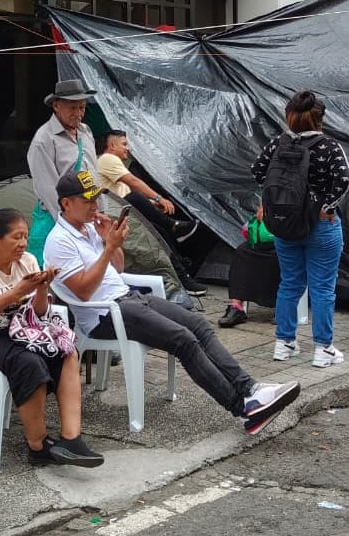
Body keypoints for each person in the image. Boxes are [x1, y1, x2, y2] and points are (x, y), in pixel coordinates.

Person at [44, 170, 300, 435]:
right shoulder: (59, 241)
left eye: (95, 198)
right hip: (104, 315)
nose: (95, 206)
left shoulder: (89, 228)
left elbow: (117, 269)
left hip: (128, 297)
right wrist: (108, 248)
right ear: (66, 203)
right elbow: (84, 292)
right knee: (183, 340)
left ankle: (249, 389)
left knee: (198, 326)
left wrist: (112, 242)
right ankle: (243, 408)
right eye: (88, 201)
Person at [0, 208, 103, 468]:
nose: (23, 243)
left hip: (19, 330)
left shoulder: (28, 261)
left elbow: (39, 313)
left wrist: (43, 287)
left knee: (67, 350)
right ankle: (38, 445)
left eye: (25, 236)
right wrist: (16, 293)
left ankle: (71, 439)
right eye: (16, 237)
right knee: (28, 362)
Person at [251, 91, 349, 368]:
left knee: (290, 284)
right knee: (322, 288)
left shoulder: (276, 145)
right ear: (319, 119)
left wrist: (276, 202)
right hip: (320, 225)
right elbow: (343, 181)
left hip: (284, 224)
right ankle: (323, 349)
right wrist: (327, 207)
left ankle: (284, 344)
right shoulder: (329, 147)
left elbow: (257, 171)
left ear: (290, 116)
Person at [95, 129, 207, 296]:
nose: (128, 148)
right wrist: (158, 198)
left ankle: (181, 276)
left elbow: (123, 193)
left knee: (160, 234)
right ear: (112, 146)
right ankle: (174, 227)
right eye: (124, 144)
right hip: (121, 220)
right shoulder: (107, 158)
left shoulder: (111, 166)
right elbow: (132, 183)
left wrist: (152, 203)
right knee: (157, 229)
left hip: (130, 216)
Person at [27, 79, 100, 264]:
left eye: (82, 107)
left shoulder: (86, 131)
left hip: (88, 217)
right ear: (56, 106)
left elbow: (94, 176)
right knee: (51, 275)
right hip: (58, 220)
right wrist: (71, 225)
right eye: (72, 107)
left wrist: (98, 212)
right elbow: (49, 190)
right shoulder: (43, 140)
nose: (78, 113)